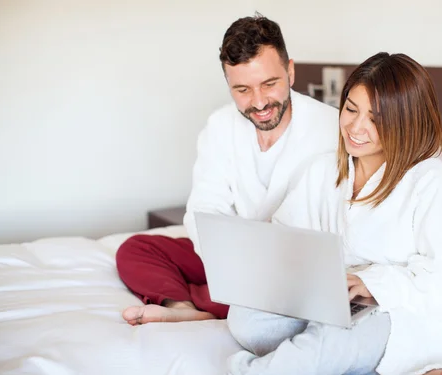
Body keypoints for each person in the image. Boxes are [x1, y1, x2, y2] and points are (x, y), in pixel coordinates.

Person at [104, 52, 442, 375]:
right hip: (334, 301)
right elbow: (285, 232)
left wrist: (373, 285)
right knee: (248, 321)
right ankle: (381, 374)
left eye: (375, 118)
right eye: (351, 109)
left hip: (406, 313)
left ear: (404, 121)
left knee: (333, 340)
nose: (356, 127)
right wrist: (287, 278)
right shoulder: (327, 171)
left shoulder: (428, 182)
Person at [115, 15, 339, 324]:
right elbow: (203, 209)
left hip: (291, 266)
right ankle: (183, 309)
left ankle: (212, 300)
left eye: (269, 84)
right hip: (232, 257)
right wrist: (229, 266)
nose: (259, 102)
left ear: (290, 71)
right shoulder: (220, 125)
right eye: (243, 90)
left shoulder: (332, 128)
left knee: (285, 297)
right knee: (136, 248)